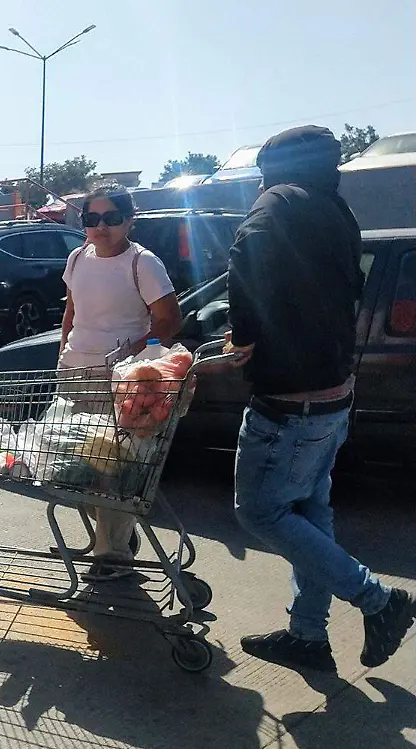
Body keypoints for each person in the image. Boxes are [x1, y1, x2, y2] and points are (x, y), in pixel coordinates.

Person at [226, 125, 414, 672]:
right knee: (310, 513)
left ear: (274, 166)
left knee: (259, 512)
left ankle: (378, 601)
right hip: (333, 391)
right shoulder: (336, 209)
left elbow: (247, 255)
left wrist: (244, 335)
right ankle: (308, 636)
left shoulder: (277, 202)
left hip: (291, 398)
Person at [58, 184, 182, 581]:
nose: (101, 227)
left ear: (130, 219)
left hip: (120, 384)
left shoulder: (142, 263)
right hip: (75, 376)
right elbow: (72, 311)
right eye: (92, 219)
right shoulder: (77, 257)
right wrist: (61, 353)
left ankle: (112, 555)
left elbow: (167, 321)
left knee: (111, 469)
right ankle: (116, 539)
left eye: (111, 218)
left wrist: (131, 357)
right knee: (76, 467)